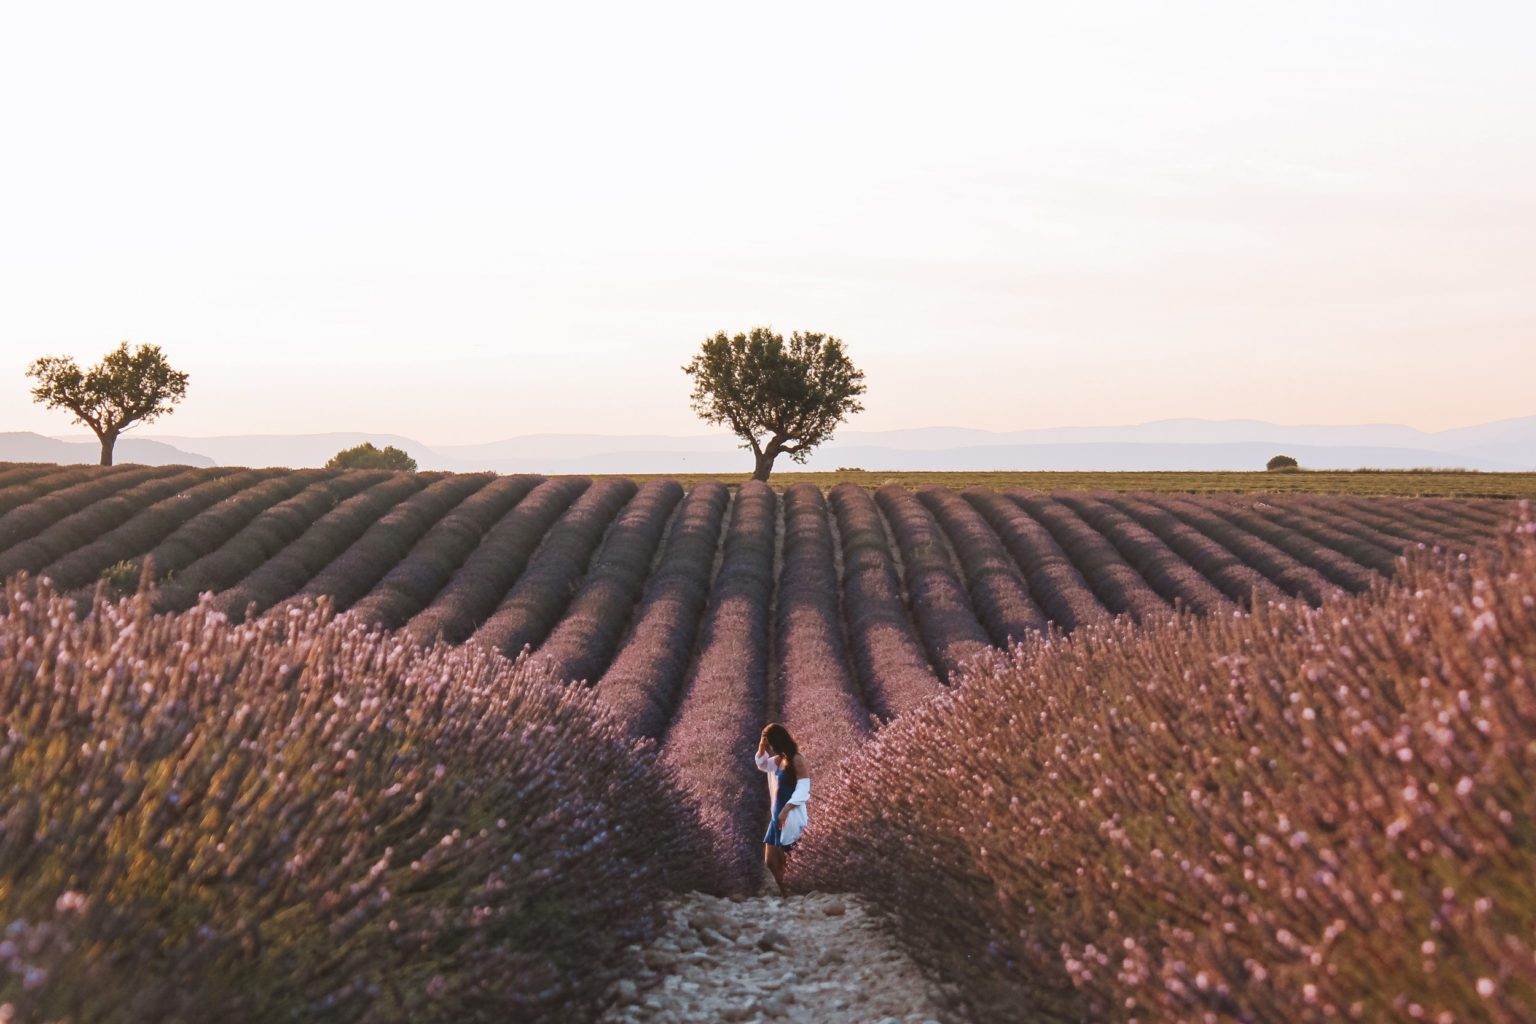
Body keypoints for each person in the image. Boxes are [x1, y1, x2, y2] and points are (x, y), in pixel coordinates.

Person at [755, 722, 810, 896]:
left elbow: (804, 789)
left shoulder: (796, 759)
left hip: (790, 815)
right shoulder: (778, 760)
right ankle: (786, 892)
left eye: (769, 742)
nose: (769, 746)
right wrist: (761, 747)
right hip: (775, 817)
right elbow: (761, 764)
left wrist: (786, 811)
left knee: (790, 860)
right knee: (770, 861)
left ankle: (795, 893)